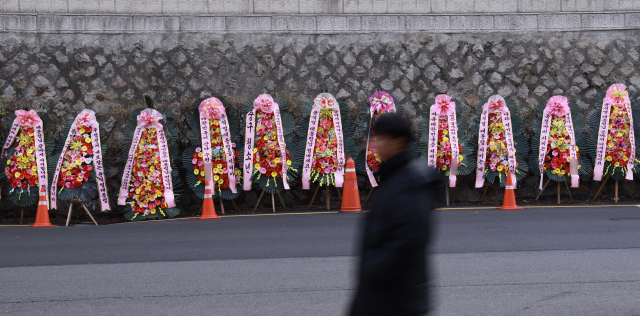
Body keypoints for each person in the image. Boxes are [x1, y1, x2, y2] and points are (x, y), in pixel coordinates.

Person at [349, 112, 442, 316]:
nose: (375, 144)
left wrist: (372, 271)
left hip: (396, 299)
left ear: (399, 142)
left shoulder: (408, 184)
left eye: (382, 138)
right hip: (387, 295)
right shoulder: (394, 177)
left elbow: (407, 242)